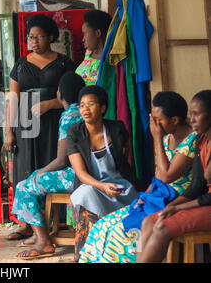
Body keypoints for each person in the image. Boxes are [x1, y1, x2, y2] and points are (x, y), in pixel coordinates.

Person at [79, 91, 198, 263]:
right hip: (157, 197)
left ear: (174, 120)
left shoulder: (192, 141)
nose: (154, 125)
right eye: (153, 119)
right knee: (103, 226)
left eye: (159, 120)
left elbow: (166, 176)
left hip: (177, 199)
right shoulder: (169, 137)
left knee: (123, 234)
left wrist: (156, 138)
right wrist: (145, 196)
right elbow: (158, 177)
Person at [4, 14, 76, 241]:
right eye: (30, 37)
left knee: (51, 165)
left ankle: (56, 221)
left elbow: (73, 95)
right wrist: (8, 131)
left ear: (51, 37)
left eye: (39, 37)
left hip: (56, 122)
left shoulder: (64, 63)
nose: (34, 41)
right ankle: (26, 224)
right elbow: (12, 99)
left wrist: (52, 104)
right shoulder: (20, 65)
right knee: (25, 168)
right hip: (25, 125)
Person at [10, 72, 85, 260]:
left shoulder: (69, 116)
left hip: (75, 175)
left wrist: (39, 174)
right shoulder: (85, 110)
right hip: (90, 172)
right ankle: (38, 233)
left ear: (60, 94)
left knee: (25, 186)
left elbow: (61, 160)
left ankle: (43, 241)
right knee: (38, 178)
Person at [136, 89, 211, 263]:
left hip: (207, 204)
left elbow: (206, 196)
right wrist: (171, 206)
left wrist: (178, 208)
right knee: (148, 221)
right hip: (203, 201)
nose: (191, 120)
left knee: (162, 227)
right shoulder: (201, 142)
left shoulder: (195, 141)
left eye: (196, 114)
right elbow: (197, 185)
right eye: (190, 114)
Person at [66, 85, 139, 262]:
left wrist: (111, 186)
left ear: (103, 108)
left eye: (91, 104)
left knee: (132, 212)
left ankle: (122, 254)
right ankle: (83, 256)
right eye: (82, 105)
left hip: (118, 185)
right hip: (90, 185)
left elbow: (124, 160)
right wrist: (102, 186)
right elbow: (81, 173)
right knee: (87, 195)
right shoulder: (74, 132)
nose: (85, 109)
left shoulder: (117, 129)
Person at [75, 10, 112, 86]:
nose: (83, 39)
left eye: (85, 33)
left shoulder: (109, 60)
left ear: (98, 33)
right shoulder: (88, 53)